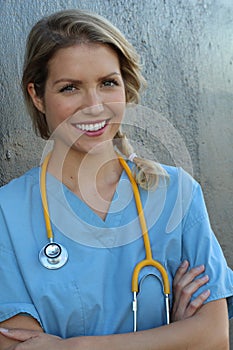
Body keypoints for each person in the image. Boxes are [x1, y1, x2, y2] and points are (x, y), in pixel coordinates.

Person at [0, 9, 232, 350]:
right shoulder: (8, 212)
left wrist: (74, 347)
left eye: (108, 83)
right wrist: (176, 337)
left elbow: (214, 336)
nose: (94, 106)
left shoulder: (176, 193)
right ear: (37, 96)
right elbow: (19, 346)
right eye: (69, 88)